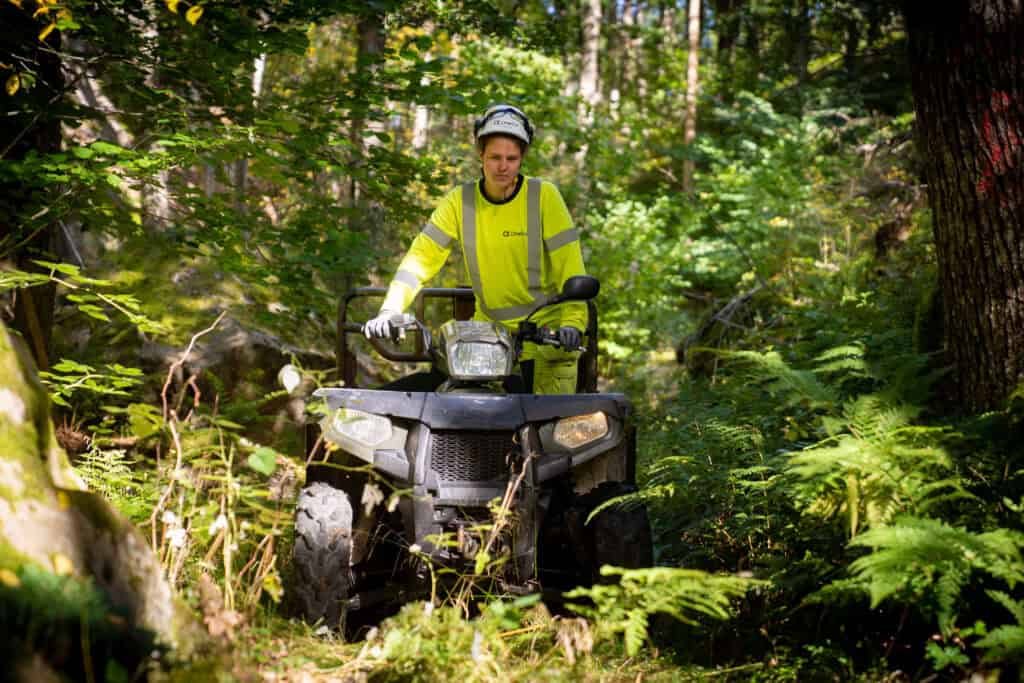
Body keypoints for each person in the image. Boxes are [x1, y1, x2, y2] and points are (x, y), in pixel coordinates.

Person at [364, 104, 588, 394]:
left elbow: (571, 269)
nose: (503, 166)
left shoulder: (544, 197)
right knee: (445, 402)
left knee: (546, 422)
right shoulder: (460, 202)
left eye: (511, 158)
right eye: (495, 157)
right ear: (481, 154)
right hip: (488, 340)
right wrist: (390, 309)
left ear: (522, 158)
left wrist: (572, 325)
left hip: (546, 340)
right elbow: (420, 260)